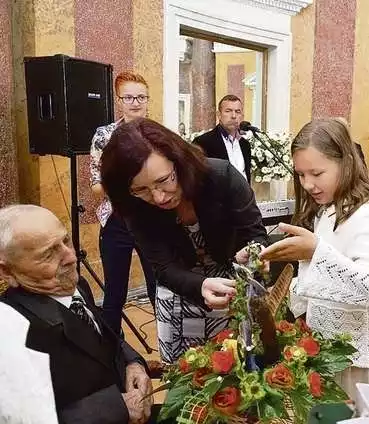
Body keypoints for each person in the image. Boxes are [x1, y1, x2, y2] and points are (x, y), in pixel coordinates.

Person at [100, 118, 268, 364]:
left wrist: (252, 253)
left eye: (163, 181)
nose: (158, 197)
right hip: (178, 295)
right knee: (186, 380)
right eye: (141, 190)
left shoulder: (221, 177)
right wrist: (199, 286)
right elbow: (163, 267)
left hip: (230, 295)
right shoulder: (133, 206)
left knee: (234, 374)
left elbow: (255, 234)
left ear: (179, 161)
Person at [260, 118, 369, 399]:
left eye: (317, 173)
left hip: (357, 367)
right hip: (329, 357)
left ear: (345, 163)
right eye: (300, 174)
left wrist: (316, 253)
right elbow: (322, 284)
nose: (308, 184)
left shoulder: (366, 214)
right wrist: (285, 291)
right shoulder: (326, 210)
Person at [0, 205, 153, 424]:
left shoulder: (74, 284)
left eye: (66, 241)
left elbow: (104, 337)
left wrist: (133, 362)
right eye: (48, 254)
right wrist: (117, 408)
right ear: (6, 271)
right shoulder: (13, 332)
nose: (71, 257)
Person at [89, 71, 157, 336]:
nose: (135, 102)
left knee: (158, 290)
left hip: (152, 219)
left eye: (140, 96)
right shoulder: (104, 136)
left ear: (148, 99)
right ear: (118, 101)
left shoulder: (157, 134)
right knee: (114, 295)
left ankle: (170, 355)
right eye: (128, 97)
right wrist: (128, 183)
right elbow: (96, 186)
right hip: (116, 221)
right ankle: (112, 361)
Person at [193, 94, 252, 181]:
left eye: (237, 111)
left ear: (242, 116)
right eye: (228, 111)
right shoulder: (203, 142)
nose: (233, 116)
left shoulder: (244, 144)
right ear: (219, 115)